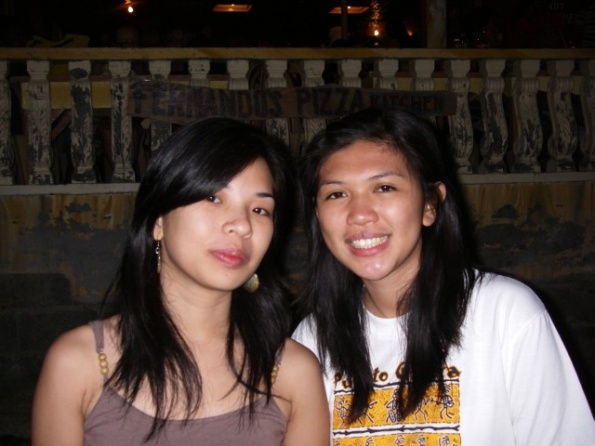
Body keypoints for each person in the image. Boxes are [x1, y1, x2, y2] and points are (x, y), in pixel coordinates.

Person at [292, 108, 595, 444]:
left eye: (384, 187)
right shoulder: (312, 338)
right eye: (336, 194)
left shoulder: (505, 313)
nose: (360, 214)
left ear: (430, 205)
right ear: (318, 214)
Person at [31, 117, 330, 445]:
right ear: (157, 221)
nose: (242, 225)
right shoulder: (78, 362)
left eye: (260, 210)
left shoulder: (293, 372)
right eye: (213, 198)